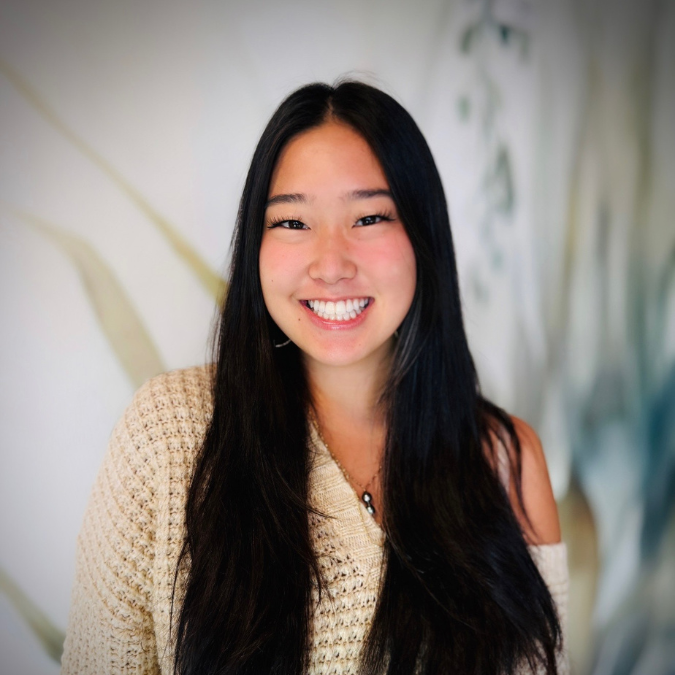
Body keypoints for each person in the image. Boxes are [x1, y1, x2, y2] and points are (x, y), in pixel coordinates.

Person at [61, 80, 569, 675]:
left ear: (423, 238)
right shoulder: (168, 437)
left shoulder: (504, 462)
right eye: (293, 223)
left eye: (370, 216)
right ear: (255, 243)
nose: (331, 264)